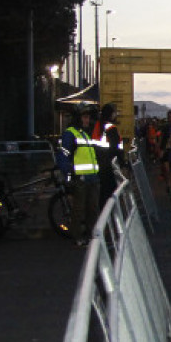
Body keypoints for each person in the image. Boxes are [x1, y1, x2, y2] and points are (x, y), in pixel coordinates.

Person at [59, 102, 100, 246]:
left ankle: (91, 236)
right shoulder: (71, 133)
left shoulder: (85, 134)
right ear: (78, 117)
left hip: (92, 177)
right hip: (81, 178)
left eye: (88, 117)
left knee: (92, 209)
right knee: (79, 209)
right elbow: (64, 156)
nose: (87, 120)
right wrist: (69, 176)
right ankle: (77, 237)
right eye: (85, 117)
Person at [92, 102, 127, 205]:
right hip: (109, 164)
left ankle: (103, 211)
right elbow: (116, 148)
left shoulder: (98, 125)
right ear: (111, 114)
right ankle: (109, 216)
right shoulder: (111, 128)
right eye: (115, 113)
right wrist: (123, 163)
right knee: (110, 191)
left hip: (99, 161)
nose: (116, 115)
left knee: (103, 191)